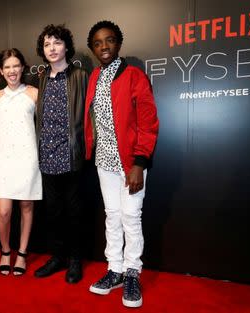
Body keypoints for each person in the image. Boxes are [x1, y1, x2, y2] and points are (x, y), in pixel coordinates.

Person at [84, 21, 159, 307]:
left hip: (131, 163)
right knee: (112, 216)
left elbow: (148, 123)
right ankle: (114, 269)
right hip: (104, 162)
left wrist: (139, 163)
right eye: (99, 43)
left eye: (110, 40)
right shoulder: (94, 78)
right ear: (92, 48)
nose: (105, 46)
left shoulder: (134, 76)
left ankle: (132, 272)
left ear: (119, 43)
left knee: (130, 216)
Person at [33, 24, 89, 284]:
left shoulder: (80, 76)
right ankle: (57, 257)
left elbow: (90, 117)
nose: (52, 48)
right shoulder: (42, 78)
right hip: (47, 156)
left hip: (72, 155)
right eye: (47, 44)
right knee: (52, 212)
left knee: (74, 212)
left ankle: (75, 260)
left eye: (57, 42)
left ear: (66, 46)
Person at [0, 48, 42, 276]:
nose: (12, 71)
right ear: (1, 71)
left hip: (28, 157)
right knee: (3, 212)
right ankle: (5, 250)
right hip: (4, 159)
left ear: (22, 68)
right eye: (7, 67)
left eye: (16, 66)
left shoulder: (33, 93)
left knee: (26, 206)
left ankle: (21, 253)